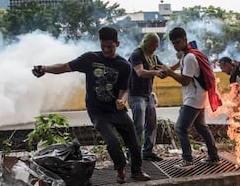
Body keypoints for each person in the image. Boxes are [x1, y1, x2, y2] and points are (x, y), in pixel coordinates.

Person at [31, 27, 150, 184]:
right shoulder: (90, 59)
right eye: (103, 46)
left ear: (117, 44)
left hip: (117, 110)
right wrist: (45, 68)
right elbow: (65, 67)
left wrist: (122, 100)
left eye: (110, 47)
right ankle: (120, 169)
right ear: (100, 43)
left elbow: (124, 89)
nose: (106, 50)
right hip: (97, 111)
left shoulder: (124, 65)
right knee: (112, 141)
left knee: (134, 141)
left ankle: (136, 171)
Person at [158, 27, 221, 170]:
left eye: (178, 42)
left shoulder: (190, 57)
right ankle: (213, 156)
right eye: (173, 43)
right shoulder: (186, 54)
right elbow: (177, 65)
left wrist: (169, 72)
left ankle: (187, 160)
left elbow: (185, 80)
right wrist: (167, 70)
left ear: (185, 39)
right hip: (199, 97)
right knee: (201, 127)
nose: (176, 46)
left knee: (180, 128)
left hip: (194, 98)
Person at [127, 33, 166, 162]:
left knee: (152, 124)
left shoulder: (153, 57)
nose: (154, 49)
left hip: (148, 94)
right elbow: (140, 72)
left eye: (156, 46)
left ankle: (148, 152)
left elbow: (164, 69)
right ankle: (133, 153)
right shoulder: (137, 54)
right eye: (152, 46)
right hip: (135, 94)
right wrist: (156, 72)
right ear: (146, 44)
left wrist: (177, 64)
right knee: (138, 126)